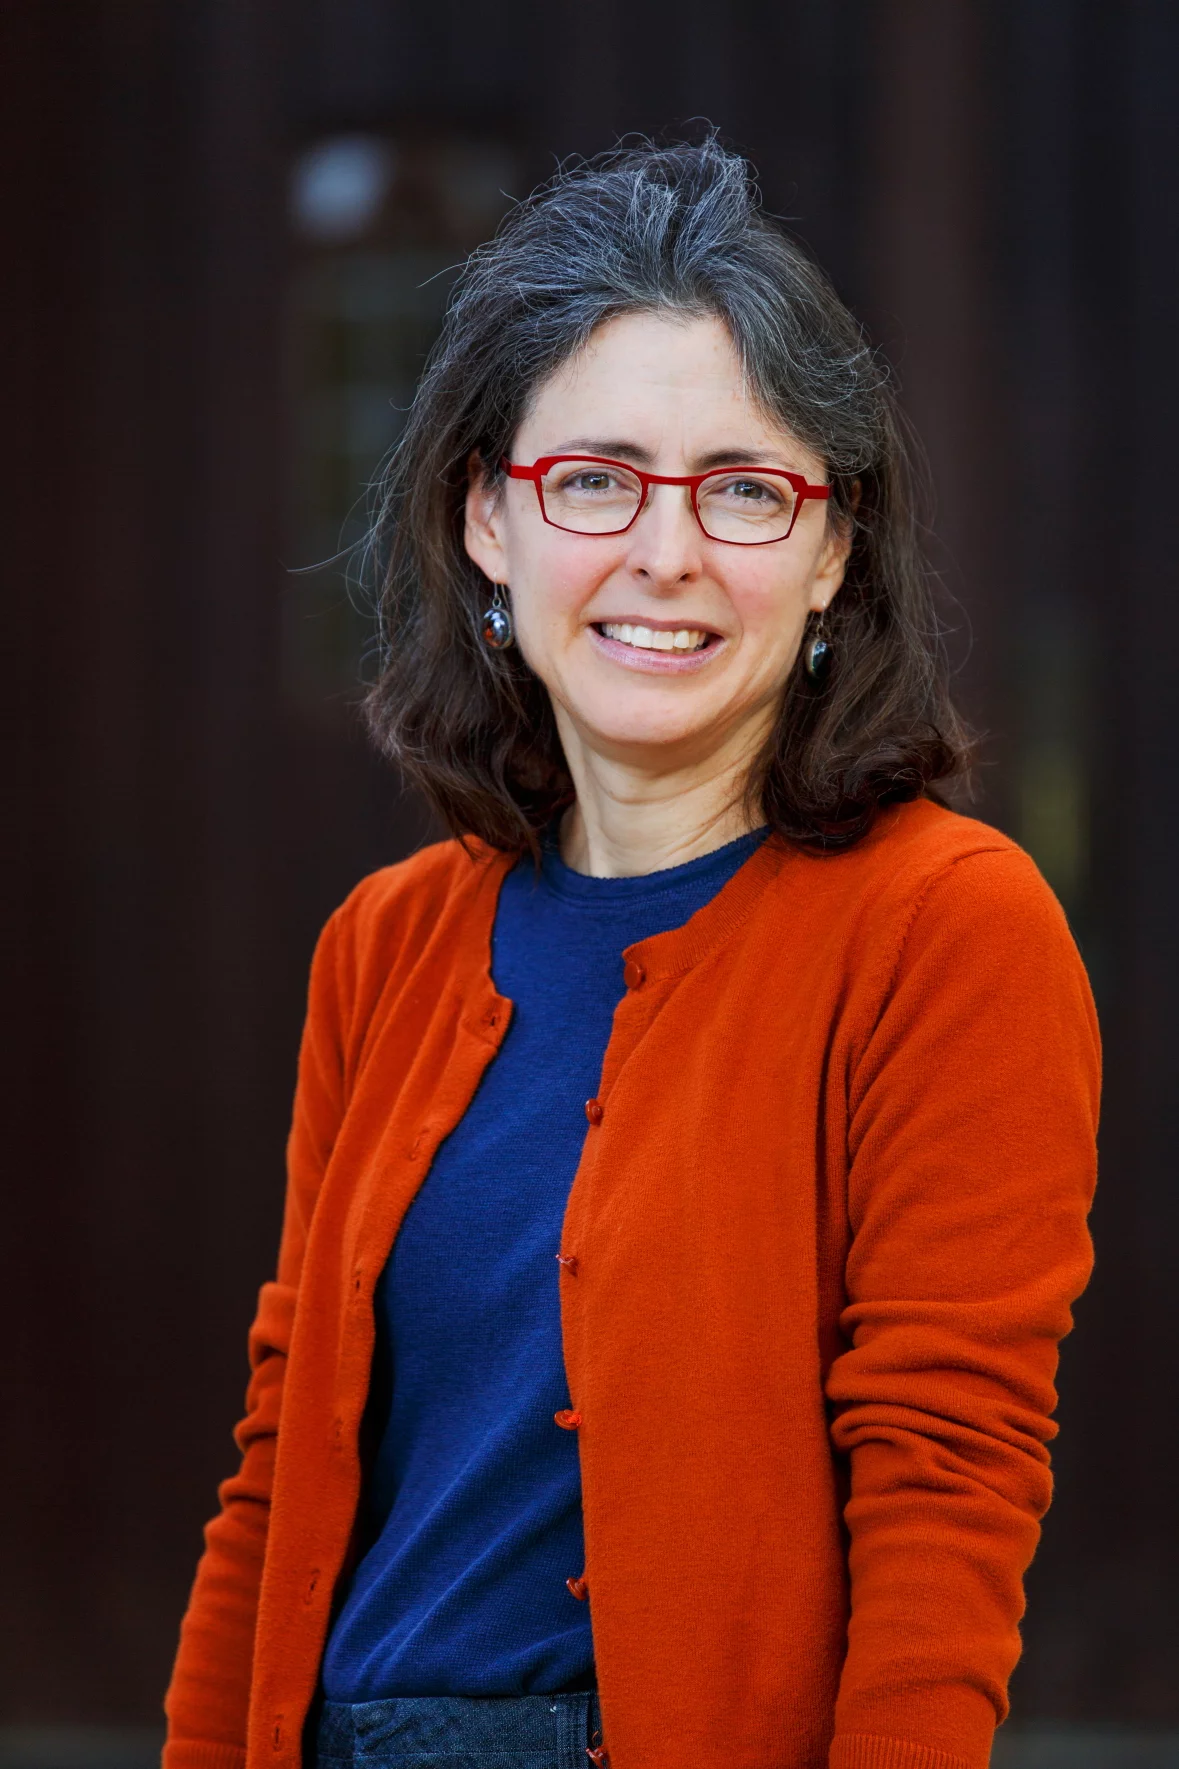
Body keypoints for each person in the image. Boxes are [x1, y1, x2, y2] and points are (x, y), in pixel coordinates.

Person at [163, 139, 1099, 1769]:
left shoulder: (944, 926)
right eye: (594, 480)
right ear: (488, 520)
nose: (665, 554)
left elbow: (948, 1471)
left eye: (743, 489)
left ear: (830, 551)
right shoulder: (385, 945)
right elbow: (276, 1462)